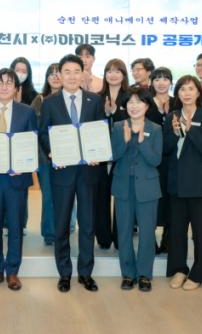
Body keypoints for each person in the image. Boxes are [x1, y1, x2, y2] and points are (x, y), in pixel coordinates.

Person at [39, 54, 105, 293]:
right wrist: (52, 153)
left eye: (76, 71)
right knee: (62, 225)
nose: (72, 76)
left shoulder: (94, 100)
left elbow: (100, 130)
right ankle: (64, 273)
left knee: (87, 224)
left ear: (83, 73)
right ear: (60, 75)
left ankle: (86, 273)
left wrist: (98, 152)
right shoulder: (50, 102)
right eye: (67, 71)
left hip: (88, 171)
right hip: (62, 171)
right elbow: (43, 133)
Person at [0, 68, 38, 291]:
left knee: (15, 226)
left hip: (16, 179)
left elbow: (32, 144)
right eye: (0, 83)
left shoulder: (27, 112)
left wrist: (24, 165)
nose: (4, 87)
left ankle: (12, 272)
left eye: (9, 83)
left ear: (16, 88)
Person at [163, 75, 202, 291]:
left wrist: (190, 130)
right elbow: (165, 148)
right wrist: (176, 133)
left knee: (200, 233)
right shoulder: (172, 116)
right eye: (182, 89)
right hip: (176, 182)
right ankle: (179, 270)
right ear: (177, 93)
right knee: (176, 231)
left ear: (198, 93)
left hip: (199, 183)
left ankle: (198, 273)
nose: (186, 93)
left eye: (191, 89)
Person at [111, 87, 162, 292]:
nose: (134, 106)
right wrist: (124, 141)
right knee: (124, 232)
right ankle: (128, 274)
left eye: (139, 102)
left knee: (147, 233)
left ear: (147, 106)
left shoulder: (155, 129)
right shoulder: (118, 127)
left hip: (147, 187)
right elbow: (113, 156)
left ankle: (144, 274)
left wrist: (142, 143)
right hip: (123, 186)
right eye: (130, 102)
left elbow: (156, 160)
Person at [97, 58, 130, 249]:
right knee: (100, 196)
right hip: (100, 154)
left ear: (124, 75)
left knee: (121, 197)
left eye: (118, 71)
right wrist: (105, 113)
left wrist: (114, 111)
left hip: (123, 153)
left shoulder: (131, 96)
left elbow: (132, 121)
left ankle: (120, 238)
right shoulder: (97, 97)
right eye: (109, 71)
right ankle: (103, 238)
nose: (113, 74)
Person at [31, 63, 61, 245]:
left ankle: (63, 230)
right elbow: (33, 129)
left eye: (58, 73)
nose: (55, 77)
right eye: (51, 74)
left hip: (67, 156)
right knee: (49, 196)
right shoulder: (39, 99)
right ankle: (50, 233)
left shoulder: (70, 98)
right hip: (44, 157)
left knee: (64, 197)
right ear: (46, 78)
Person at [147, 67, 176, 253]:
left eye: (165, 79)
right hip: (151, 160)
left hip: (172, 161)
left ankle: (168, 239)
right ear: (151, 82)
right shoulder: (145, 103)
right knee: (151, 202)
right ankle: (150, 241)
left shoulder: (177, 102)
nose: (161, 82)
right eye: (157, 79)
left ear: (171, 82)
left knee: (170, 201)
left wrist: (168, 115)